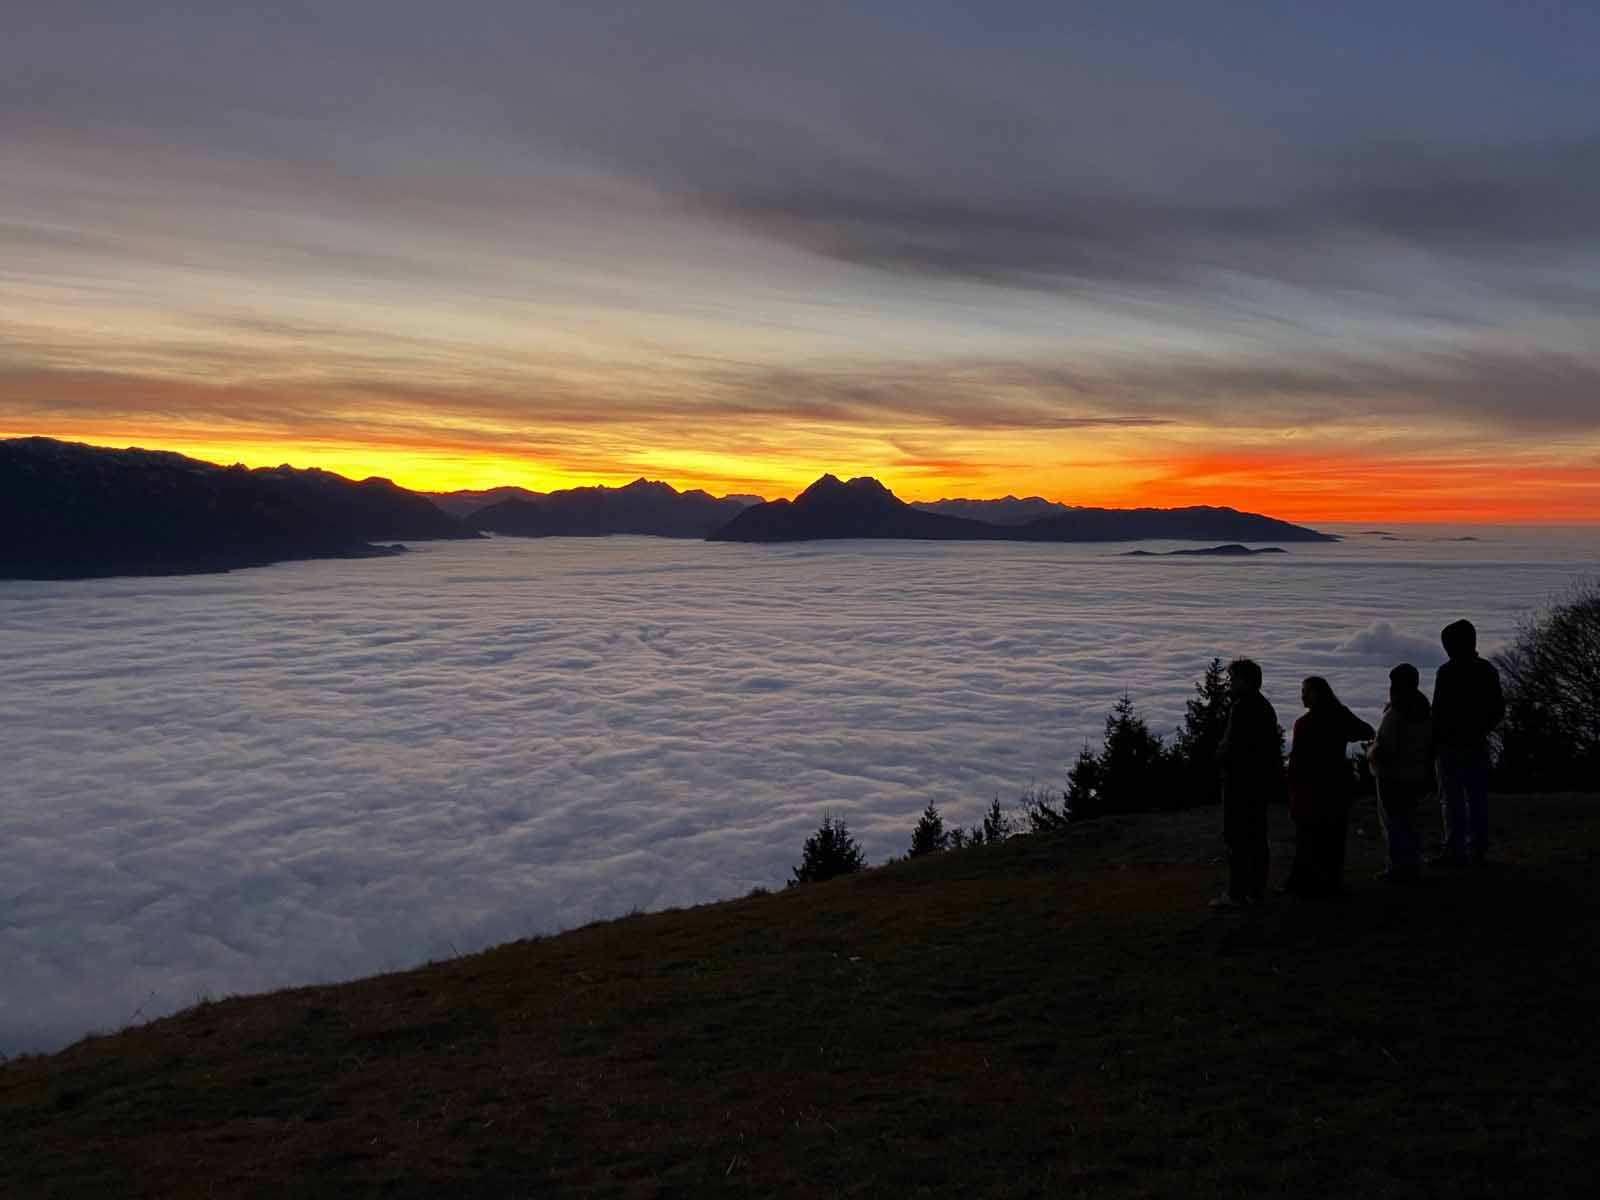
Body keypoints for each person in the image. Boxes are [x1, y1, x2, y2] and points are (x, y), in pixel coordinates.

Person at [1284, 676, 1374, 897]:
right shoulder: (1339, 714)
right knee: (1333, 836)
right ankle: (1331, 883)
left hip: (1311, 787)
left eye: (1305, 691)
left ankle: (1305, 883)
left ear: (1316, 694)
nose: (1302, 696)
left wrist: (1291, 786)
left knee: (1308, 836)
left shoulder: (1305, 724)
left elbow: (1297, 761)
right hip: (1336, 785)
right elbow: (1366, 731)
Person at [1430, 618, 1505, 866]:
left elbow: (1439, 712)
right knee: (1477, 799)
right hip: (1477, 743)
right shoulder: (1486, 670)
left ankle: (1454, 849)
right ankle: (1477, 849)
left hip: (1450, 746)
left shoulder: (1448, 671)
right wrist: (1480, 729)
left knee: (1451, 801)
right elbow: (1497, 709)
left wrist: (1436, 739)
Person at [1211, 658, 1284, 909]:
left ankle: (1237, 893)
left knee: (1237, 837)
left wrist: (1220, 756)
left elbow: (1234, 747)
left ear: (1244, 680)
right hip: (1258, 782)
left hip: (1241, 783)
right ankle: (1255, 890)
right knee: (1256, 837)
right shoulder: (1263, 706)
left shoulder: (1243, 708)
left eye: (1234, 679)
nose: (1230, 683)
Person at [1367, 663, 1433, 882]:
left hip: (1391, 775)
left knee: (1393, 822)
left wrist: (1372, 753)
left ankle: (1397, 867)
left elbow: (1387, 746)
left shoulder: (1397, 712)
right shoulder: (1422, 708)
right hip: (1413, 773)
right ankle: (1411, 863)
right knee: (1408, 821)